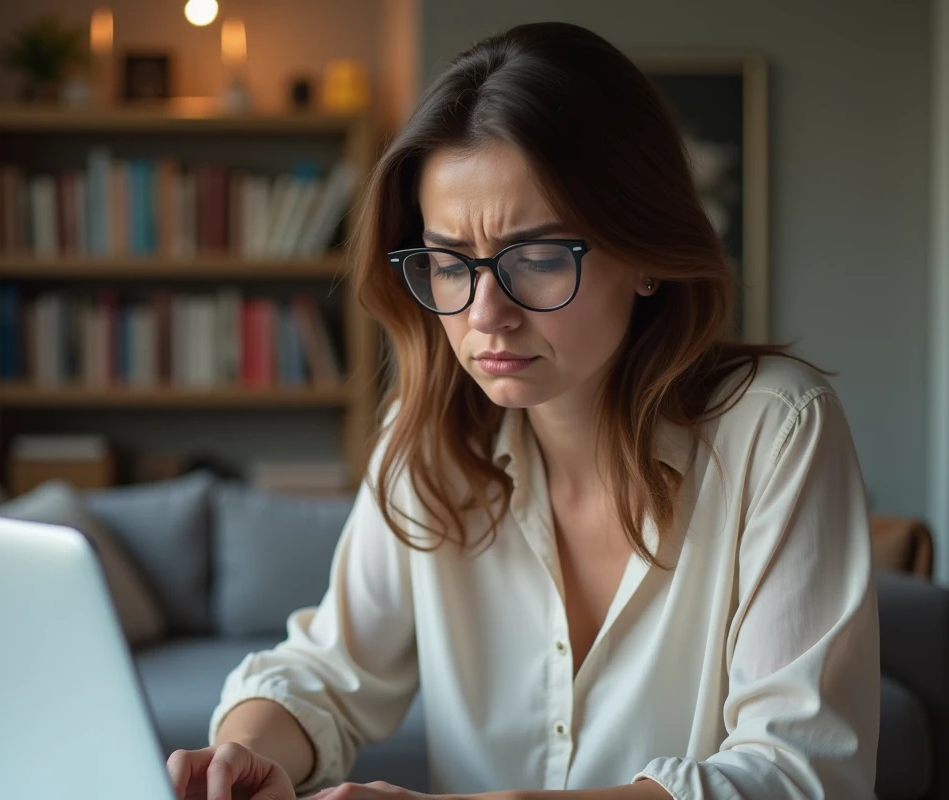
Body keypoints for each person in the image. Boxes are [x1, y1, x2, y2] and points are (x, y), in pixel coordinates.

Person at [167, 21, 879, 800]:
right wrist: (246, 751)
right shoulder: (427, 441)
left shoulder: (777, 429)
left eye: (537, 257)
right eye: (448, 263)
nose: (486, 314)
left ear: (644, 254)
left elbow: (799, 774)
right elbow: (329, 671)